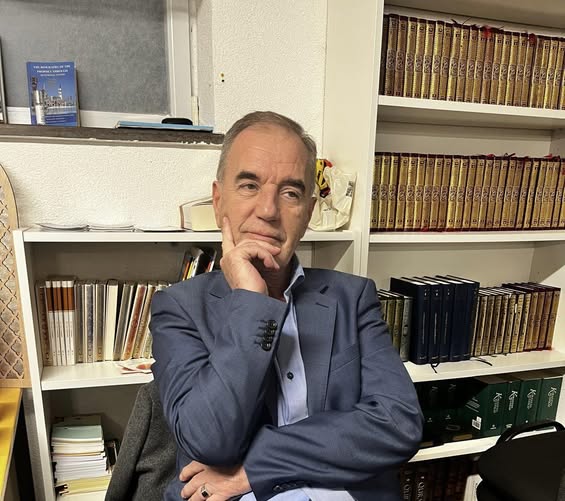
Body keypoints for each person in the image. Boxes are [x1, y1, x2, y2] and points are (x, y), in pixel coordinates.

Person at [150, 111, 423, 501]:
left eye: (291, 193)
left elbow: (399, 424)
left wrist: (255, 468)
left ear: (308, 212)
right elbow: (210, 442)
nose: (268, 210)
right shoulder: (179, 308)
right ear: (218, 200)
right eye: (249, 185)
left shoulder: (353, 297)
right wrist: (250, 302)